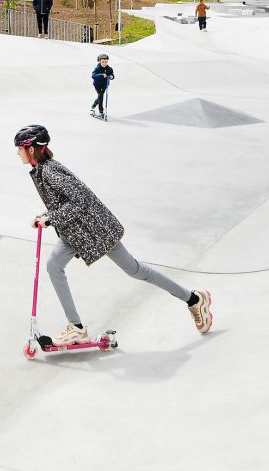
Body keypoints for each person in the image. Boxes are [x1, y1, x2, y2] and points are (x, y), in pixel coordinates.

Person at [14, 124, 213, 344]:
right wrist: (44, 215)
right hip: (77, 232)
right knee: (54, 265)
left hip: (96, 229)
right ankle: (77, 327)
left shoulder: (51, 171)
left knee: (136, 270)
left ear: (31, 149)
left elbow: (81, 199)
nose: (17, 153)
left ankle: (194, 299)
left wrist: (51, 219)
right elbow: (61, 202)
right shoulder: (43, 170)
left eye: (19, 148)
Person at [90, 53, 114, 119]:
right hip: (97, 85)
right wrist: (101, 75)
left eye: (106, 62)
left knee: (100, 96)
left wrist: (111, 77)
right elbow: (93, 75)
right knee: (100, 96)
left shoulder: (109, 69)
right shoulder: (97, 69)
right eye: (102, 62)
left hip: (105, 85)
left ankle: (94, 104)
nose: (104, 63)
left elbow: (112, 75)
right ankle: (101, 112)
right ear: (99, 61)